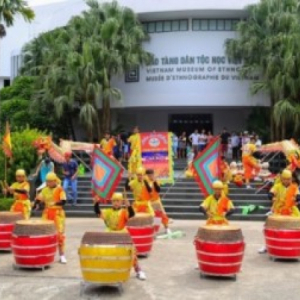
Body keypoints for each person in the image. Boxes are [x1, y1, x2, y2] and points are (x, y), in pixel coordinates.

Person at [93, 192, 146, 280]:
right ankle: (108, 272)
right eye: (114, 201)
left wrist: (128, 206)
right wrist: (96, 203)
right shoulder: (108, 212)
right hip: (110, 234)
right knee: (106, 253)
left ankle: (138, 270)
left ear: (121, 202)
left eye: (118, 201)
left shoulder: (124, 212)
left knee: (131, 252)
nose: (116, 203)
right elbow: (98, 212)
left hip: (122, 234)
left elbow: (132, 214)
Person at [258, 169, 300, 254]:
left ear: (291, 179)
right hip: (278, 209)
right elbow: (272, 192)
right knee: (269, 227)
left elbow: (297, 194)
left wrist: (297, 197)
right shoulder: (277, 186)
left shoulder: (294, 187)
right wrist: (271, 195)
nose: (287, 181)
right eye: (285, 179)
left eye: (289, 179)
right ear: (281, 179)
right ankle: (267, 245)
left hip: (291, 210)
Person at [33, 172, 67, 263]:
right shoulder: (45, 190)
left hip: (57, 214)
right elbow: (39, 199)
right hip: (47, 213)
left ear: (54, 181)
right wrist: (35, 204)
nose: (48, 183)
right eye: (47, 182)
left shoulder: (60, 189)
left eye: (50, 182)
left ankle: (62, 255)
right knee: (44, 233)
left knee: (59, 235)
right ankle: (44, 254)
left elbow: (63, 201)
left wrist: (55, 203)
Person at [145, 169, 171, 234]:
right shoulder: (145, 182)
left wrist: (154, 182)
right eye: (149, 175)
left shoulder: (156, 181)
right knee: (152, 216)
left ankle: (166, 228)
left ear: (153, 174)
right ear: (147, 175)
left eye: (151, 175)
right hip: (148, 202)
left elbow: (158, 190)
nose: (150, 176)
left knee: (161, 215)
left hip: (156, 201)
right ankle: (154, 230)